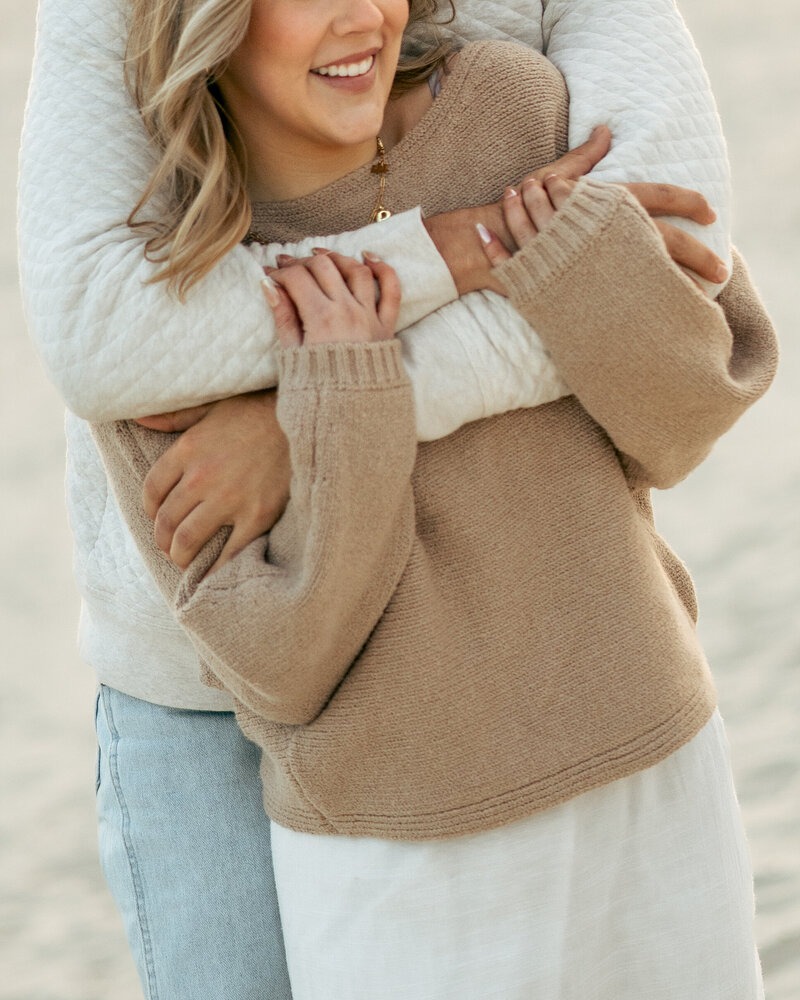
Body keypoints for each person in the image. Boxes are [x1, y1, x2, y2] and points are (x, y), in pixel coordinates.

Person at [17, 0, 755, 997]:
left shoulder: (505, 103)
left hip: (637, 741)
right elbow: (109, 340)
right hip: (312, 778)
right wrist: (436, 272)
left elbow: (685, 320)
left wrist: (312, 410)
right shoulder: (167, 262)